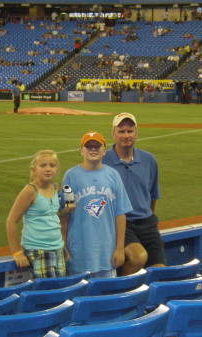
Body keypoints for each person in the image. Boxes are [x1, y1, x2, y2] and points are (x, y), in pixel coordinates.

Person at [61, 131, 132, 278]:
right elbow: (65, 215)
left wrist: (119, 248)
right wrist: (63, 244)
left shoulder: (113, 175)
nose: (93, 149)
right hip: (78, 253)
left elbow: (120, 215)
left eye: (97, 146)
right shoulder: (70, 176)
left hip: (106, 253)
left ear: (104, 151)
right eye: (88, 146)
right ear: (81, 150)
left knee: (106, 297)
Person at [102, 113, 166, 275]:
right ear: (113, 133)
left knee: (160, 271)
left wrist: (148, 215)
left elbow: (152, 195)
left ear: (136, 133)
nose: (126, 135)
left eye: (130, 131)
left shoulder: (149, 160)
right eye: (121, 131)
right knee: (138, 257)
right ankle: (122, 294)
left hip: (147, 222)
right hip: (120, 223)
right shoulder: (104, 161)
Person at [6, 150, 73, 278]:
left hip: (57, 248)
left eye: (52, 166)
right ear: (34, 169)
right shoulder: (30, 191)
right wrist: (17, 252)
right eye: (43, 165)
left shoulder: (55, 188)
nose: (48, 169)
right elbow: (11, 221)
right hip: (37, 251)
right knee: (47, 293)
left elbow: (52, 216)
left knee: (59, 291)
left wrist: (67, 210)